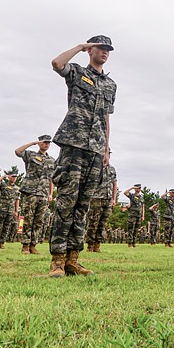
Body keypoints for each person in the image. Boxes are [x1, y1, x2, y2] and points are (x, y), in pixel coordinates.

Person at [47, 35, 116, 277]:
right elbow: (57, 63)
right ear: (90, 50)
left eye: (108, 49)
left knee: (83, 205)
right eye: (100, 48)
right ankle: (57, 260)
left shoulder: (111, 85)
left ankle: (73, 259)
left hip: (96, 149)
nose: (105, 52)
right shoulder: (77, 72)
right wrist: (79, 47)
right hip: (73, 143)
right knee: (66, 202)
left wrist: (106, 148)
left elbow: (107, 118)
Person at [15, 135, 55, 255]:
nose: (46, 144)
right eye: (44, 142)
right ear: (39, 143)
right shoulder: (31, 155)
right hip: (31, 192)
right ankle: (25, 246)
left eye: (48, 143)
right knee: (28, 219)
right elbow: (17, 151)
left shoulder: (52, 160)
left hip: (43, 194)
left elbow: (51, 179)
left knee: (39, 221)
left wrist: (50, 193)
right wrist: (32, 143)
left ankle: (33, 245)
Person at [86, 155, 117, 253]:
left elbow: (114, 184)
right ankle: (90, 245)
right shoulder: (95, 167)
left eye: (108, 154)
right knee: (93, 222)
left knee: (102, 223)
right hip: (96, 198)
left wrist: (114, 198)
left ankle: (97, 245)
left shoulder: (112, 169)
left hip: (107, 199)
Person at [0, 174, 19, 249]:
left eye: (15, 177)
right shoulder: (3, 184)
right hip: (2, 209)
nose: (14, 178)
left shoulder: (17, 188)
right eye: (12, 176)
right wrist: (2, 177)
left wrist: (16, 211)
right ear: (9, 177)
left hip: (11, 210)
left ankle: (2, 243)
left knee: (6, 227)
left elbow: (17, 200)